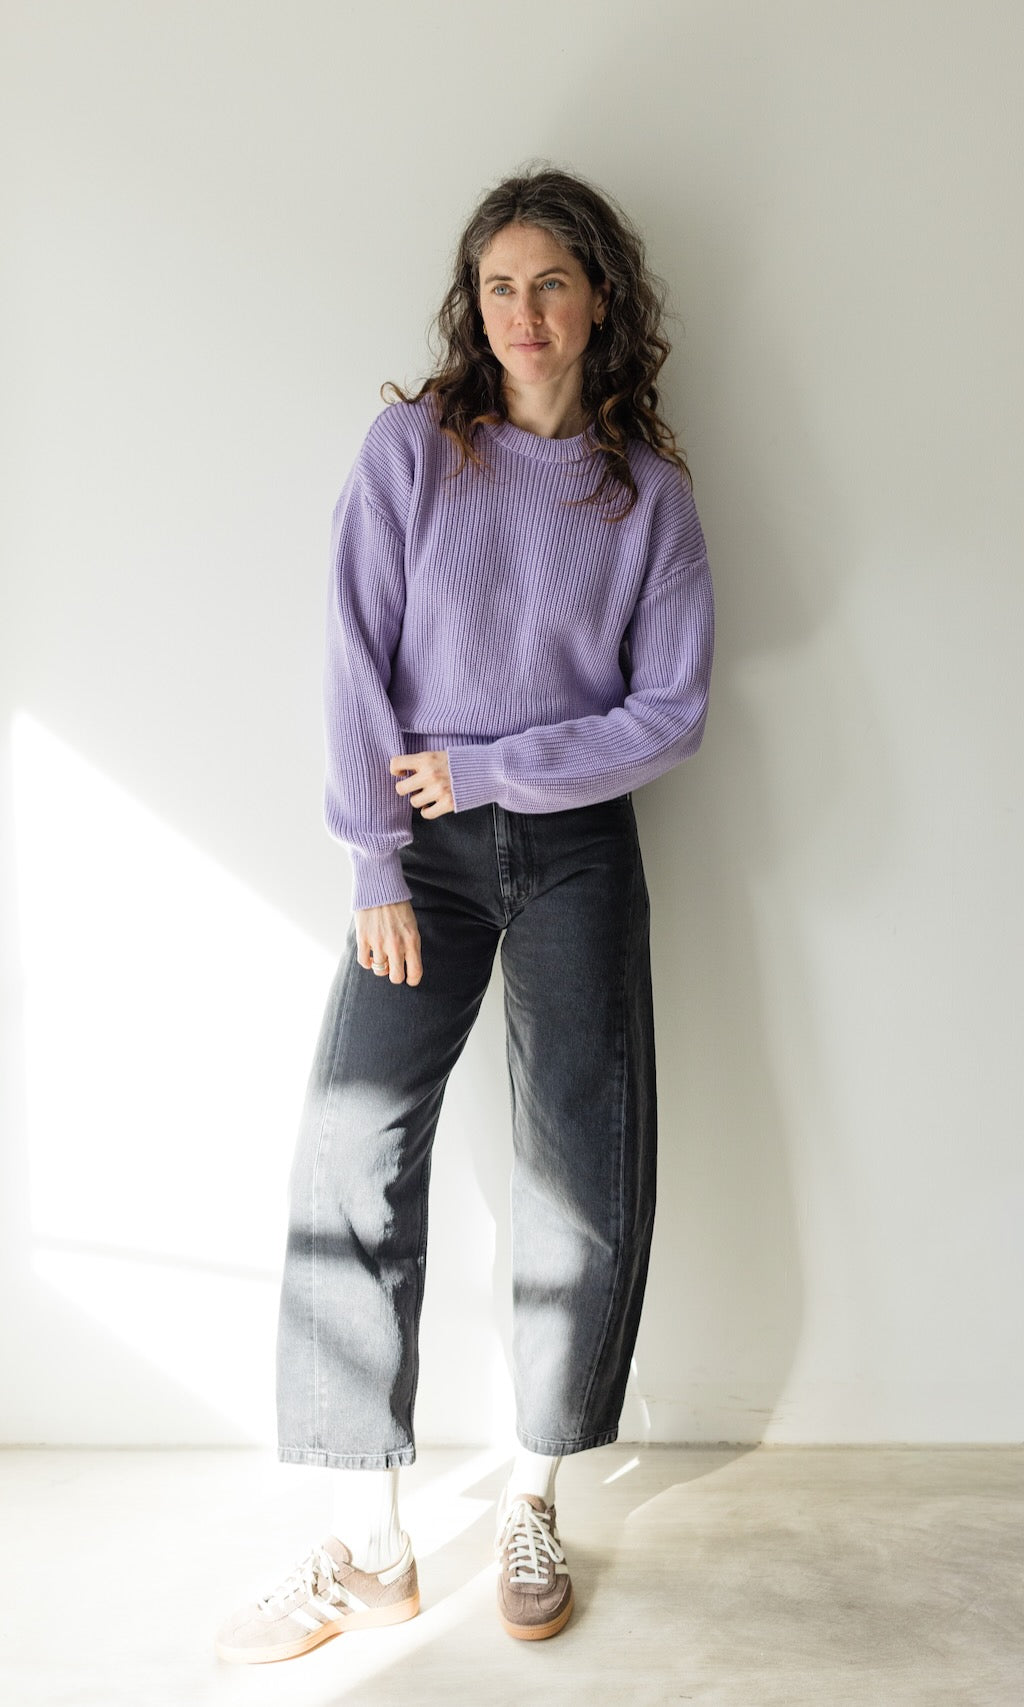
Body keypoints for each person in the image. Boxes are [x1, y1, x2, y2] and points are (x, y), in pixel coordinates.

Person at [215, 162, 714, 1664]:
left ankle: (536, 1497)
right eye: (499, 287)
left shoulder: (650, 496)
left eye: (551, 284)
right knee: (352, 1151)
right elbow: (354, 655)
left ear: (600, 300)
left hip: (574, 852)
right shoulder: (415, 451)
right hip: (420, 857)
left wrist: (497, 766)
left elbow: (671, 712)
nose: (523, 314)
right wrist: (375, 859)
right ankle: (369, 1545)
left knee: (581, 1168)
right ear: (471, 303)